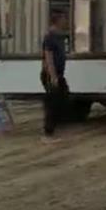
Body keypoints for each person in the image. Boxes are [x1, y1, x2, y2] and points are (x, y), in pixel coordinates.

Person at [40, 11, 69, 142]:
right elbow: (49, 57)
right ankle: (48, 134)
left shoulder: (59, 36)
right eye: (64, 18)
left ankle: (55, 128)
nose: (66, 21)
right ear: (57, 20)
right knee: (52, 103)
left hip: (58, 74)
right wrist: (53, 76)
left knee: (63, 98)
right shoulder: (50, 36)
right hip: (51, 74)